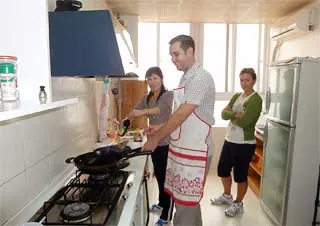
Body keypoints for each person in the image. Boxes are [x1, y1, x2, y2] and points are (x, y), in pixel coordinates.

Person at [142, 35, 216, 226]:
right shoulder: (186, 77)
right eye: (171, 55)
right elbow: (182, 115)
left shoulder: (201, 78)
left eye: (176, 54)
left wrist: (156, 139)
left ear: (190, 51)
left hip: (195, 150)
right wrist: (158, 127)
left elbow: (182, 114)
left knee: (185, 203)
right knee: (187, 200)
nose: (172, 59)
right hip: (183, 148)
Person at [210, 68, 262, 217]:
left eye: (247, 80)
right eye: (241, 80)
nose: (244, 83)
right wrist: (235, 114)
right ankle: (227, 196)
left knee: (240, 176)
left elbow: (245, 122)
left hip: (244, 144)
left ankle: (238, 203)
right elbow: (222, 114)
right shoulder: (237, 96)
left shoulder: (256, 99)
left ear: (254, 81)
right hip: (229, 140)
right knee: (222, 170)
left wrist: (232, 115)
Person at [127, 66, 174, 225]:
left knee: (166, 179)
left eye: (155, 78)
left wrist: (141, 113)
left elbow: (162, 111)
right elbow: (136, 109)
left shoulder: (168, 95)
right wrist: (129, 115)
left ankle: (166, 216)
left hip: (167, 142)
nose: (152, 81)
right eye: (149, 78)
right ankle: (162, 204)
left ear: (161, 79)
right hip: (154, 142)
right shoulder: (146, 98)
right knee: (159, 176)